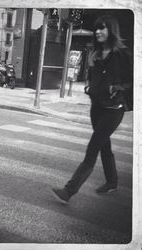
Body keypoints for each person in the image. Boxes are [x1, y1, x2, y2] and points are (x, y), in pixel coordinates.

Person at [52, 15, 133, 204]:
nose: (98, 32)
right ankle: (112, 182)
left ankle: (68, 191)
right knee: (105, 147)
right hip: (96, 108)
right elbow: (91, 75)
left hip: (113, 109)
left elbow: (133, 82)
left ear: (111, 30)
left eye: (102, 28)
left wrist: (117, 89)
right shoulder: (95, 54)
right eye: (96, 28)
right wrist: (89, 87)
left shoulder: (122, 54)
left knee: (92, 149)